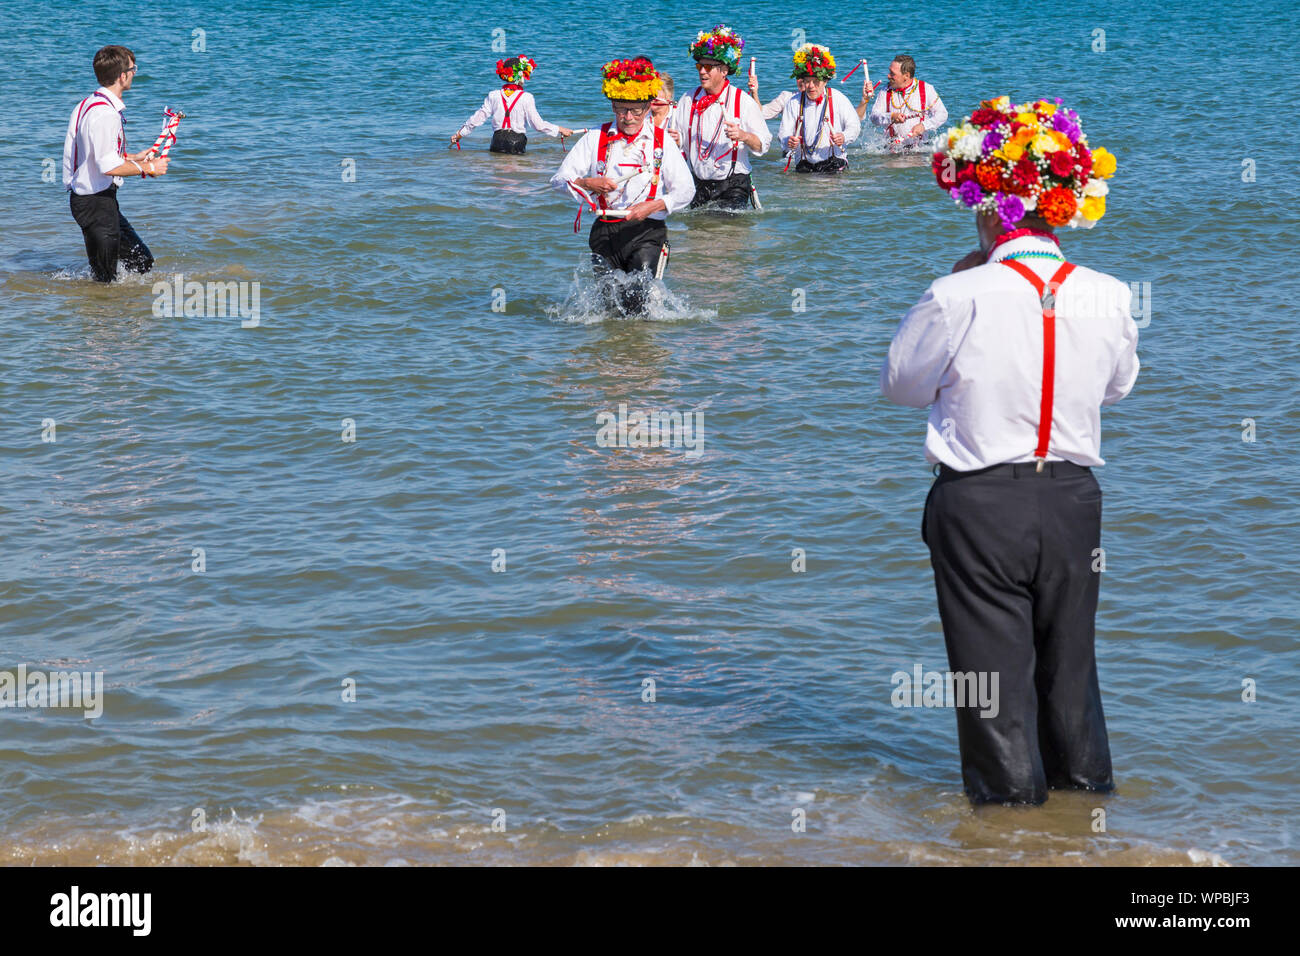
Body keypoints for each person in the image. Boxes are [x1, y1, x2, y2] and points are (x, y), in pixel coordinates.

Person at [881, 96, 1131, 806]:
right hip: (1075, 497)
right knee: (1070, 667)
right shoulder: (1109, 295)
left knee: (989, 679)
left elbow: (900, 386)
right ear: (1064, 206)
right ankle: (1087, 806)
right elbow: (1116, 389)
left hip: (981, 499)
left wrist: (963, 279)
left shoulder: (959, 293)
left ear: (993, 210)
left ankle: (1011, 823)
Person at [550, 56, 694, 315]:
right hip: (605, 230)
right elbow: (559, 180)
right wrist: (586, 182)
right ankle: (612, 351)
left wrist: (653, 205)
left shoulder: (662, 141)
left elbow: (686, 190)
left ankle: (641, 349)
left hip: (647, 232)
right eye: (620, 109)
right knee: (607, 306)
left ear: (648, 107)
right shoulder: (596, 137)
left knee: (637, 299)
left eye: (635, 111)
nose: (627, 117)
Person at [62, 45, 170, 283]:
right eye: (133, 69)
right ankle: (102, 317)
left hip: (100, 201)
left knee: (141, 261)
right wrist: (149, 168)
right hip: (94, 203)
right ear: (122, 76)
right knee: (104, 281)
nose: (134, 73)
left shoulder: (87, 104)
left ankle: (122, 311)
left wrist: (135, 158)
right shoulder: (105, 115)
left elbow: (96, 154)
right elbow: (107, 166)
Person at [673, 24, 770, 210]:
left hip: (734, 184)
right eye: (699, 65)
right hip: (698, 183)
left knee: (725, 228)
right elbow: (679, 144)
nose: (702, 71)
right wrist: (676, 141)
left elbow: (763, 145)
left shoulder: (743, 101)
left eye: (708, 67)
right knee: (696, 234)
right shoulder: (687, 99)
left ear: (724, 71)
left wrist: (744, 136)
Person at [451, 56, 571, 153]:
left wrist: (459, 134)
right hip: (517, 143)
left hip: (497, 142)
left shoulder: (494, 95)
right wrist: (560, 129)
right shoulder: (527, 97)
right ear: (522, 76)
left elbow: (477, 118)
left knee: (498, 177)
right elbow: (538, 125)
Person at [778, 44, 860, 173]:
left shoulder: (838, 98)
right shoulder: (793, 102)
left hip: (834, 162)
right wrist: (788, 141)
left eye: (816, 81)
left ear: (825, 81)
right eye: (807, 81)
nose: (810, 86)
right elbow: (783, 133)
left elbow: (854, 126)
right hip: (804, 164)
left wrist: (844, 136)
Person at [866, 54, 947, 150]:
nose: (888, 76)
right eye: (889, 72)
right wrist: (891, 117)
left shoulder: (926, 89)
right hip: (892, 150)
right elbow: (874, 117)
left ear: (906, 76)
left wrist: (923, 126)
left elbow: (942, 114)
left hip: (919, 150)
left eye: (892, 74)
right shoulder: (885, 91)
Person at [649, 71, 680, 146]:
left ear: (669, 95)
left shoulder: (679, 114)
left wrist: (679, 141)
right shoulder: (642, 114)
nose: (651, 96)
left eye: (655, 92)